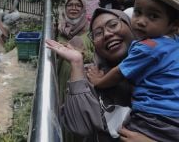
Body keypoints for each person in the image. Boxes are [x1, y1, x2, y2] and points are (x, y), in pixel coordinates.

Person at [88, 0, 179, 141]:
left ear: (174, 25)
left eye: (153, 16)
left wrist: (98, 81)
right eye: (138, 12)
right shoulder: (173, 43)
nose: (141, 21)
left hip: (153, 118)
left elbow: (119, 73)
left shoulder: (148, 47)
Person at [46, 8, 153, 141]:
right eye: (97, 33)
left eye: (113, 25)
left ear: (131, 27)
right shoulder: (92, 75)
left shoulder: (166, 69)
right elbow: (80, 126)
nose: (107, 34)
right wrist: (76, 63)